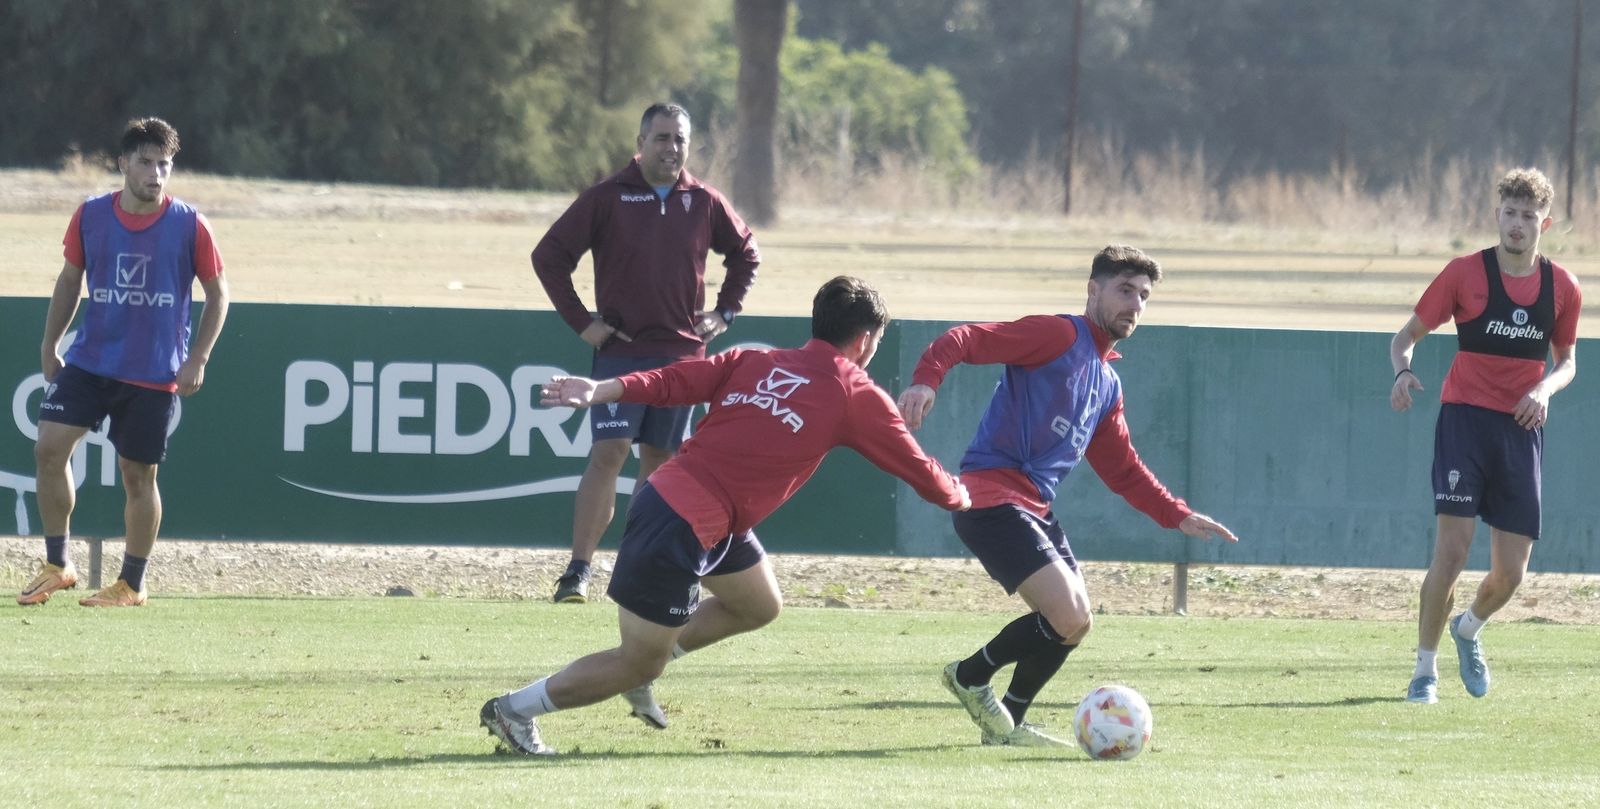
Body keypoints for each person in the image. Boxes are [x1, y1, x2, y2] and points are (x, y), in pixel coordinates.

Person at [479, 276, 970, 755]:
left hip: (699, 513)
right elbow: (923, 473)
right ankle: (514, 710)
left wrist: (603, 388)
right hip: (680, 522)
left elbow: (673, 380)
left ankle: (654, 660)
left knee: (758, 604)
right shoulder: (854, 393)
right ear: (865, 341)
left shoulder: (755, 359)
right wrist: (966, 495)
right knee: (636, 662)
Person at [896, 244, 1238, 747]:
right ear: (1092, 289)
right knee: (1068, 615)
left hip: (1033, 505)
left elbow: (1124, 470)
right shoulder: (1058, 335)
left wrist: (1178, 516)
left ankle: (1006, 724)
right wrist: (927, 381)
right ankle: (968, 677)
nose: (1135, 305)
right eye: (1125, 290)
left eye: (1144, 296)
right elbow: (966, 338)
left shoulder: (1107, 382)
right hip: (992, 495)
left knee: (1077, 624)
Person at [533, 101, 761, 605]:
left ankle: (637, 570)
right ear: (640, 144)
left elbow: (746, 252)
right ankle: (577, 571)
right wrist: (582, 323)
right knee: (609, 453)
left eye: (679, 138)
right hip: (622, 352)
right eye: (661, 138)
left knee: (660, 464)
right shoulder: (607, 197)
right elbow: (548, 257)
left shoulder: (703, 199)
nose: (671, 147)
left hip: (682, 359)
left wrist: (725, 312)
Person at [16, 117, 230, 608]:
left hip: (153, 372)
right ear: (123, 164)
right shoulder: (90, 215)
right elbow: (69, 281)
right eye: (147, 163)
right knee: (48, 449)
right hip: (90, 362)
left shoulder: (190, 224)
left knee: (138, 477)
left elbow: (219, 294)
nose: (157, 174)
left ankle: (131, 584)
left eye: (165, 165)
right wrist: (50, 345)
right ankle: (58, 564)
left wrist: (199, 356)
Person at [1390, 168, 1582, 705]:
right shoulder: (1463, 273)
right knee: (1451, 553)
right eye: (1509, 213)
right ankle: (1424, 673)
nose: (1517, 224)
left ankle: (1468, 629)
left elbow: (1567, 362)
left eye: (1528, 216)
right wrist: (1403, 372)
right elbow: (1404, 338)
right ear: (1496, 214)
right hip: (1464, 424)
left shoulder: (1562, 287)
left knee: (1511, 575)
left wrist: (1544, 390)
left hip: (1520, 429)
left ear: (1545, 223)